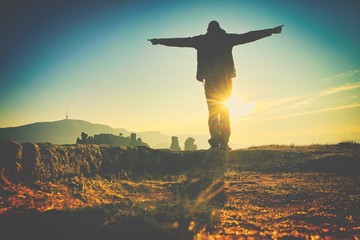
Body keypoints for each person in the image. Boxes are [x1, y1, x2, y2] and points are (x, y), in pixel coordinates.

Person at [149, 21, 283, 150]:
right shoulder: (226, 39)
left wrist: (159, 41)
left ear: (208, 30)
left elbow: (180, 42)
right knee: (224, 111)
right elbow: (248, 36)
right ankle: (224, 142)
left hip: (210, 81)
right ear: (219, 29)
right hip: (225, 81)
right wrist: (270, 31)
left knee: (213, 112)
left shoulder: (202, 40)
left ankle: (214, 143)